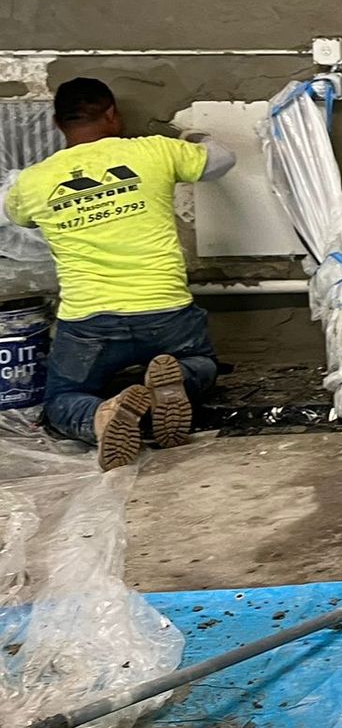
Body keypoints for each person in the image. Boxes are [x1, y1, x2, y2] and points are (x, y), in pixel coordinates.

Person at [2, 78, 234, 470]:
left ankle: (100, 416)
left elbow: (14, 217)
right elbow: (222, 159)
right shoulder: (153, 151)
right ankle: (175, 379)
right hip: (165, 313)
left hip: (89, 323)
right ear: (112, 114)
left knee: (62, 399)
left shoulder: (35, 180)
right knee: (201, 363)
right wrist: (195, 134)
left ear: (59, 124)